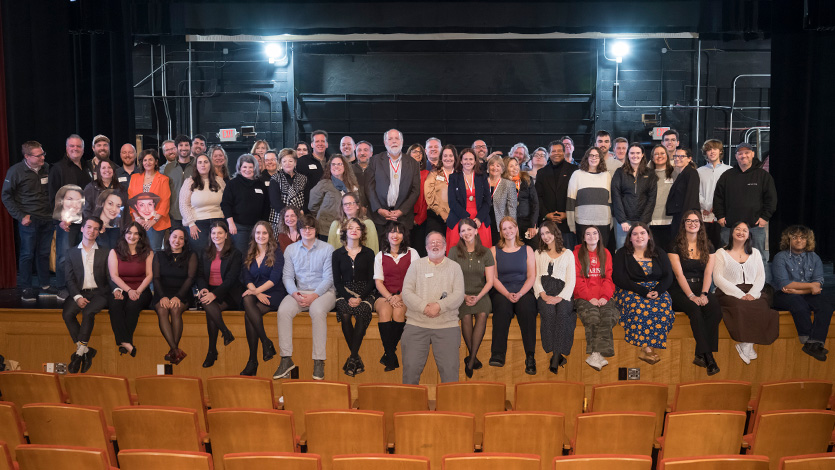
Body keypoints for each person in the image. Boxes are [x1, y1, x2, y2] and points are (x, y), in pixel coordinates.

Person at [273, 214, 336, 380]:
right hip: (299, 291)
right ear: (299, 230)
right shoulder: (291, 250)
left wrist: (315, 295)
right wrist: (295, 293)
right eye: (304, 228)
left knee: (316, 310)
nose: (307, 231)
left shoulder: (327, 249)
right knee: (283, 310)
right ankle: (286, 358)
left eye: (311, 228)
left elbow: (329, 278)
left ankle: (319, 360)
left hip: (324, 292)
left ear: (316, 230)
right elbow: (287, 276)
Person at [400, 232, 466, 384]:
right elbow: (407, 292)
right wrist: (424, 307)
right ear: (426, 247)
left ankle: (448, 408)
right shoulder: (415, 266)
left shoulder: (455, 267)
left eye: (439, 242)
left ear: (445, 246)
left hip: (446, 326)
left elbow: (458, 294)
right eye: (431, 242)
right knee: (410, 369)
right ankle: (411, 408)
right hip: (416, 325)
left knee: (450, 371)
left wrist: (439, 306)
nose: (435, 245)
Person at [713, 221, 778, 364]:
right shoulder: (721, 253)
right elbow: (717, 278)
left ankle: (746, 344)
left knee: (761, 305)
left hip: (752, 290)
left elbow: (761, 277)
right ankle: (747, 343)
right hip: (728, 291)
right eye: (738, 229)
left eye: (745, 230)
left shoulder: (755, 253)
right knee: (740, 306)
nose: (741, 232)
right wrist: (739, 294)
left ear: (749, 235)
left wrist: (753, 294)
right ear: (731, 232)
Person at [667, 211, 722, 375]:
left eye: (696, 221)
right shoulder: (674, 245)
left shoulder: (709, 246)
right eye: (689, 221)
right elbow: (679, 275)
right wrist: (692, 296)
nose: (692, 224)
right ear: (683, 224)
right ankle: (708, 357)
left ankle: (700, 353)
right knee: (695, 311)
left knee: (715, 310)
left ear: (700, 224)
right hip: (679, 289)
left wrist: (704, 294)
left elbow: (708, 273)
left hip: (701, 286)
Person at [613, 223, 674, 365]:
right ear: (630, 238)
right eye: (635, 234)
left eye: (642, 233)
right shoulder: (622, 253)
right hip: (630, 289)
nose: (639, 237)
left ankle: (648, 347)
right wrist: (643, 292)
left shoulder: (659, 252)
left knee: (663, 306)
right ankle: (647, 349)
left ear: (649, 236)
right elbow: (619, 278)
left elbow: (668, 276)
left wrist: (658, 291)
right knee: (639, 307)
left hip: (656, 289)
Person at [712, 142, 777, 271]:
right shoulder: (727, 175)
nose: (743, 156)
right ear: (736, 156)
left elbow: (771, 198)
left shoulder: (763, 176)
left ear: (752, 154)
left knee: (759, 258)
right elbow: (718, 198)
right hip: (729, 227)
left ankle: (760, 288)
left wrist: (765, 217)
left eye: (747, 153)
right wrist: (720, 216)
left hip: (755, 227)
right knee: (726, 258)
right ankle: (728, 287)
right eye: (740, 153)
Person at [771, 225, 832, 361]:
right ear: (788, 240)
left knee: (826, 305)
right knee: (798, 303)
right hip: (783, 295)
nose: (799, 240)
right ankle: (808, 341)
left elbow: (818, 282)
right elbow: (784, 284)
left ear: (807, 240)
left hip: (802, 293)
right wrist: (809, 287)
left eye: (803, 238)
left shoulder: (814, 257)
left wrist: (798, 290)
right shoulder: (780, 257)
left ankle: (815, 343)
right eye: (795, 237)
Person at [2, 141, 53, 301]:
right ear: (27, 156)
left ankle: (45, 285)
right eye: (39, 155)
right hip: (29, 220)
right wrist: (20, 216)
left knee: (44, 254)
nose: (42, 157)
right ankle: (26, 287)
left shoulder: (48, 169)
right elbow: (6, 196)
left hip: (47, 218)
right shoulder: (16, 171)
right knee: (27, 254)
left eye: (43, 153)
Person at [489, 217, 538, 374]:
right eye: (504, 229)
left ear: (516, 229)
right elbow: (493, 278)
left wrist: (521, 293)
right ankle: (498, 354)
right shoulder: (494, 250)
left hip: (523, 290)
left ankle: (530, 357)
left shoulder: (528, 250)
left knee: (528, 310)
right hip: (502, 290)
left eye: (511, 227)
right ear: (501, 232)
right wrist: (507, 294)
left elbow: (531, 276)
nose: (508, 231)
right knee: (502, 309)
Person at [448, 218, 495, 378]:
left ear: (476, 231)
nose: (466, 233)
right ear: (460, 234)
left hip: (481, 293)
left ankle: (471, 359)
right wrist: (464, 296)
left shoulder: (486, 252)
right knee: (466, 316)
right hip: (461, 294)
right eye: (463, 231)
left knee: (482, 314)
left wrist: (478, 296)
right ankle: (473, 360)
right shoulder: (454, 252)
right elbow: (450, 280)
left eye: (469, 229)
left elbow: (490, 281)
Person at [49, 135, 94, 300]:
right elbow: (53, 196)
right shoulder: (58, 168)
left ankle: (79, 285)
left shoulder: (88, 167)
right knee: (64, 256)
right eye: (71, 146)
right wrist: (60, 220)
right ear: (66, 148)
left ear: (83, 149)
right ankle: (62, 286)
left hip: (86, 220)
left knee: (83, 256)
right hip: (67, 221)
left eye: (78, 147)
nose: (75, 149)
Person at [62, 216, 108, 373]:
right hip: (79, 292)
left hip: (100, 293)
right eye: (89, 227)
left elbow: (110, 277)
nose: (92, 231)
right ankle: (86, 351)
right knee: (68, 313)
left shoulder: (106, 252)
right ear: (82, 228)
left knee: (88, 312)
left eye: (96, 228)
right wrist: (77, 297)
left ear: (99, 231)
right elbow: (69, 279)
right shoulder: (71, 253)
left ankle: (79, 353)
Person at [240, 221, 286, 375]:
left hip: (274, 292)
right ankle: (265, 342)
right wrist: (256, 292)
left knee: (249, 315)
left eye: (264, 233)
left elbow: (274, 278)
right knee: (247, 301)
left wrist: (257, 292)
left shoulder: (277, 253)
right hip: (257, 292)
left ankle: (253, 361)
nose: (261, 236)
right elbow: (247, 278)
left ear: (269, 235)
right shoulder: (250, 253)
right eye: (258, 233)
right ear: (254, 235)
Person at [332, 218, 376, 376]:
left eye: (358, 228)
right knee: (344, 314)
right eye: (351, 228)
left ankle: (352, 357)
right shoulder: (337, 254)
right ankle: (355, 357)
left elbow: (373, 280)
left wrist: (361, 297)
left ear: (362, 232)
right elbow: (337, 282)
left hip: (365, 291)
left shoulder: (369, 253)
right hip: (345, 291)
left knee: (362, 313)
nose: (354, 230)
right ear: (345, 231)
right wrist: (348, 297)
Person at [195, 221, 242, 368]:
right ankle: (225, 333)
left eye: (220, 233)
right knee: (207, 303)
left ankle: (212, 351)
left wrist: (213, 295)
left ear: (226, 234)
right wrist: (203, 289)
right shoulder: (204, 252)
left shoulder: (235, 253)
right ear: (210, 235)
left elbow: (230, 280)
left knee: (209, 305)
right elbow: (200, 275)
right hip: (210, 291)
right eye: (214, 233)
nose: (217, 236)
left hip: (228, 292)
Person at [374, 222, 419, 372]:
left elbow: (415, 280)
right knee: (385, 312)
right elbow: (378, 282)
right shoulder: (380, 255)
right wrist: (390, 297)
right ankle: (391, 354)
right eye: (392, 232)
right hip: (384, 296)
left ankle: (389, 354)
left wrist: (400, 296)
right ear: (387, 235)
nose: (395, 235)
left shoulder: (412, 253)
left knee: (399, 312)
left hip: (405, 295)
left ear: (403, 236)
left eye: (399, 232)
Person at [573, 226, 618, 371]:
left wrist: (605, 296)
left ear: (599, 237)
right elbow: (577, 280)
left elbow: (608, 278)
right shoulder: (576, 254)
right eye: (588, 234)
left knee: (610, 316)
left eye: (595, 233)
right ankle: (597, 353)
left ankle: (595, 353)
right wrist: (589, 297)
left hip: (603, 296)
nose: (591, 236)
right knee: (592, 317)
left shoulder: (605, 253)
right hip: (584, 296)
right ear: (584, 237)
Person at [107, 221, 154, 357]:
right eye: (129, 232)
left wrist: (137, 291)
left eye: (136, 233)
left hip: (142, 289)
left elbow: (149, 275)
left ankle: (123, 341)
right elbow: (114, 276)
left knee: (132, 306)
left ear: (140, 236)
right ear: (124, 234)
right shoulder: (114, 252)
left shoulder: (148, 253)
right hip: (123, 288)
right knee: (115, 305)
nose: (132, 236)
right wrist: (128, 290)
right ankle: (126, 342)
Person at [534, 221, 576, 374]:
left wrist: (560, 297)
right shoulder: (537, 253)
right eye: (542, 234)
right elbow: (535, 277)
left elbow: (571, 280)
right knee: (549, 313)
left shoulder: (568, 254)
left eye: (548, 232)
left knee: (563, 314)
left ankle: (555, 356)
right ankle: (556, 355)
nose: (545, 236)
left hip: (563, 293)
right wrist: (543, 294)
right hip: (544, 291)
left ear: (555, 233)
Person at [152, 227, 197, 366]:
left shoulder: (191, 255)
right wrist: (163, 297)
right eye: (174, 237)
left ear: (185, 241)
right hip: (162, 293)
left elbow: (190, 278)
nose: (177, 241)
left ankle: (173, 351)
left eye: (181, 238)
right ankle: (176, 350)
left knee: (176, 309)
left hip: (182, 293)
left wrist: (178, 296)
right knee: (163, 309)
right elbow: (156, 278)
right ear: (169, 238)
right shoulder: (159, 255)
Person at [366, 129, 421, 236]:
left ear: (402, 141)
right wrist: (379, 209)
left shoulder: (413, 163)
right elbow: (369, 187)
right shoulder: (375, 161)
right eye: (390, 139)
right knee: (382, 251)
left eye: (397, 138)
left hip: (403, 218)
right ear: (385, 143)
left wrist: (402, 210)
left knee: (402, 251)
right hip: (380, 218)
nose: (394, 141)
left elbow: (415, 191)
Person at [611, 143, 657, 250]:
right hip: (624, 222)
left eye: (637, 153)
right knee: (622, 250)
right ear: (628, 155)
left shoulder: (650, 174)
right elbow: (616, 196)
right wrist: (622, 220)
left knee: (642, 249)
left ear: (642, 155)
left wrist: (643, 222)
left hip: (643, 220)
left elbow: (651, 199)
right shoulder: (620, 172)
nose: (635, 156)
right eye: (632, 153)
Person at [223, 154, 270, 255]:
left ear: (255, 168)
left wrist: (263, 226)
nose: (247, 170)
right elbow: (226, 204)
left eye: (250, 167)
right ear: (239, 168)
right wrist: (231, 224)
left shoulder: (260, 184)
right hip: (239, 227)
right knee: (241, 255)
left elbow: (266, 206)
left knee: (257, 254)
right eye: (244, 167)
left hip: (257, 228)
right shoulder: (233, 184)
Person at [179, 153, 226, 253]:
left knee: (219, 253)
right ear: (196, 166)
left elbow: (226, 201)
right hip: (197, 223)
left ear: (210, 164)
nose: (203, 165)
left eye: (206, 162)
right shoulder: (189, 182)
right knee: (200, 254)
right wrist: (191, 224)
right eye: (200, 162)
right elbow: (183, 205)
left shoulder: (219, 181)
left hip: (218, 221)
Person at [446, 148, 492, 249]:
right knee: (458, 252)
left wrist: (479, 218)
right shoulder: (454, 177)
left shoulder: (482, 177)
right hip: (460, 217)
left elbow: (487, 201)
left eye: (471, 159)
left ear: (475, 161)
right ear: (461, 161)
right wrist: (466, 219)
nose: (468, 162)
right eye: (465, 159)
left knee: (482, 251)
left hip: (479, 219)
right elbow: (452, 202)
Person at [567, 147, 612, 248]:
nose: (594, 158)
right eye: (591, 155)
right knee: (583, 253)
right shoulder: (577, 174)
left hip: (603, 221)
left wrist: (611, 222)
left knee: (601, 253)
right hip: (583, 221)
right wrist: (571, 224)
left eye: (597, 156)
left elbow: (610, 200)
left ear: (601, 158)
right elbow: (570, 200)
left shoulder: (607, 175)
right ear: (586, 157)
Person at [536, 141, 578, 249]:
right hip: (548, 224)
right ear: (549, 154)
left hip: (567, 224)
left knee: (568, 256)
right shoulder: (541, 173)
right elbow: (538, 197)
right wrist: (546, 214)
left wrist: (567, 214)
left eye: (559, 150)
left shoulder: (574, 170)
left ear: (564, 152)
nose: (556, 153)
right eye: (553, 151)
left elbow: (578, 196)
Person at [309, 154, 360, 241]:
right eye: (333, 164)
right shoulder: (324, 184)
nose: (336, 166)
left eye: (339, 164)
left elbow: (357, 204)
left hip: (347, 228)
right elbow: (312, 206)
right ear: (329, 167)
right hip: (326, 229)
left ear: (345, 167)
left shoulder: (352, 186)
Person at [128, 149, 171, 250]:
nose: (147, 163)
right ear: (142, 163)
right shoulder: (134, 177)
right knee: (137, 250)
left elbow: (165, 201)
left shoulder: (163, 179)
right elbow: (131, 199)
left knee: (153, 251)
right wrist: (137, 218)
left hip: (156, 223)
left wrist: (153, 220)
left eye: (150, 160)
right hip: (138, 222)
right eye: (145, 160)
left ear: (156, 162)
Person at [697, 139, 732, 250]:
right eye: (709, 149)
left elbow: (730, 193)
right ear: (705, 153)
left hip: (722, 218)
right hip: (704, 216)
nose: (712, 152)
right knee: (704, 247)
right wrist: (707, 206)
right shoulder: (699, 171)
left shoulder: (729, 171)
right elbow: (695, 192)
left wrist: (717, 208)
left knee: (722, 248)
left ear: (720, 151)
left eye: (715, 149)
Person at [268, 148, 307, 233]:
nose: (287, 164)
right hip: (280, 218)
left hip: (299, 218)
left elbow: (306, 198)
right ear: (280, 163)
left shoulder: (303, 178)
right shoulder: (275, 178)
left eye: (290, 161)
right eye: (284, 161)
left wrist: (300, 212)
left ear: (295, 162)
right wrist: (289, 215)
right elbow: (275, 202)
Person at [162, 135, 195, 230]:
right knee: (175, 244)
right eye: (181, 145)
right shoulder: (169, 168)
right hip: (174, 215)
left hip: (193, 215)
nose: (184, 148)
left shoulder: (197, 165)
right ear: (176, 148)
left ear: (190, 147)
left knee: (193, 244)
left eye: (186, 145)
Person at [424, 144, 457, 240]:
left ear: (455, 157)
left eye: (451, 156)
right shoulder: (434, 173)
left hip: (456, 218)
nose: (448, 158)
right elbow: (429, 195)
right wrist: (443, 214)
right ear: (441, 158)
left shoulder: (459, 174)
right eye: (445, 156)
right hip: (436, 217)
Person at [666, 148, 701, 239]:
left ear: (689, 159)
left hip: (685, 217)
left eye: (681, 156)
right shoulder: (682, 173)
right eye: (676, 156)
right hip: (680, 215)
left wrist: (686, 219)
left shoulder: (691, 173)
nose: (677, 158)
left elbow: (691, 197)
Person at [505, 157, 538, 245]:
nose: (515, 168)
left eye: (516, 165)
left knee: (533, 248)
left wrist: (532, 224)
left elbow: (535, 203)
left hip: (527, 222)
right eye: (511, 166)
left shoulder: (527, 179)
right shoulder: (503, 182)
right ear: (505, 168)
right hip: (510, 223)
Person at [648, 144, 675, 251]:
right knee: (654, 253)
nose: (659, 156)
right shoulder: (647, 174)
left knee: (670, 254)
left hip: (670, 221)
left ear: (667, 156)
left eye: (662, 153)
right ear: (652, 157)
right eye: (656, 154)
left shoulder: (675, 172)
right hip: (652, 221)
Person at [486, 155, 517, 244]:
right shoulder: (482, 182)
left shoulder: (509, 184)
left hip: (500, 224)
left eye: (498, 165)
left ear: (502, 169)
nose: (495, 167)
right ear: (488, 167)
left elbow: (512, 207)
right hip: (484, 222)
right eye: (492, 165)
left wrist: (511, 226)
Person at [408, 143, 429, 256]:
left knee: (419, 250)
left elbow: (427, 199)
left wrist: (419, 218)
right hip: (405, 218)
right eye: (414, 151)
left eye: (420, 152)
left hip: (421, 219)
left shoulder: (426, 174)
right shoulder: (403, 173)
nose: (418, 154)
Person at [298, 130, 329, 204]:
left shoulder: (332, 161)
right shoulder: (302, 161)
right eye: (317, 141)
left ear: (327, 144)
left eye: (322, 141)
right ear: (312, 144)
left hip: (329, 205)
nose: (320, 144)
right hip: (309, 204)